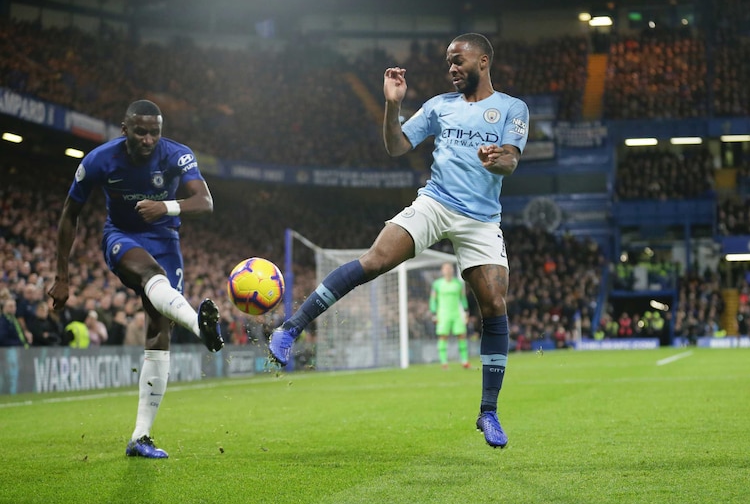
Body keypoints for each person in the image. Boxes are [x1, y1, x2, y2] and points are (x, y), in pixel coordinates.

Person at [269, 33, 528, 448]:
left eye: (458, 61)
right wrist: (393, 106)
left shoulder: (513, 108)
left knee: (495, 305)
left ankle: (489, 412)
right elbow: (395, 146)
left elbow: (512, 160)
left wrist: (501, 159)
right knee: (373, 260)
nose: (451, 68)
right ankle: (289, 328)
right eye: (448, 62)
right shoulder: (439, 106)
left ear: (483, 61)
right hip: (435, 202)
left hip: (481, 219)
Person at [49, 99, 224, 459]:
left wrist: (166, 206)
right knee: (151, 274)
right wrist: (61, 276)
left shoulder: (176, 155)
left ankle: (140, 437)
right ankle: (200, 326)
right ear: (125, 129)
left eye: (154, 132)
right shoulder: (100, 160)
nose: (148, 139)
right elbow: (70, 214)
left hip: (166, 240)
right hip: (122, 237)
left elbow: (205, 202)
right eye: (141, 131)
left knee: (159, 329)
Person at [429, 262, 470, 369]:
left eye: (449, 268)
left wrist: (466, 312)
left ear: (452, 270)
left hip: (456, 313)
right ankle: (444, 363)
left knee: (461, 335)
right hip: (443, 314)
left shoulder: (458, 283)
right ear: (442, 271)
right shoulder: (437, 284)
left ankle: (465, 361)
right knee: (443, 336)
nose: (448, 270)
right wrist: (434, 313)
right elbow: (433, 299)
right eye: (445, 268)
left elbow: (463, 298)